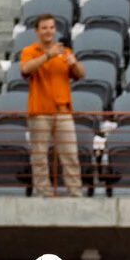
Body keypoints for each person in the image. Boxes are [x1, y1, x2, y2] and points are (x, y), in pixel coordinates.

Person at [19, 14, 85, 197]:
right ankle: (44, 193)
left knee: (70, 154)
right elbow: (25, 69)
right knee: (39, 156)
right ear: (37, 31)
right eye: (44, 28)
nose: (49, 31)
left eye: (51, 27)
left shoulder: (65, 52)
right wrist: (48, 55)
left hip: (63, 111)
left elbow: (80, 74)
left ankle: (75, 193)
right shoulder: (30, 50)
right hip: (40, 111)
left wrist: (74, 63)